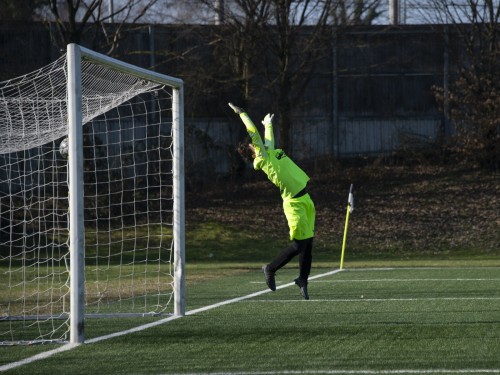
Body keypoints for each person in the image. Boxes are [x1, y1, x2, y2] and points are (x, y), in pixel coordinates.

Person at [228, 102, 315, 300]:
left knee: (308, 245)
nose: (254, 142)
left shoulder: (269, 153)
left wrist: (268, 124)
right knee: (299, 246)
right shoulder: (263, 159)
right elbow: (254, 133)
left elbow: (267, 140)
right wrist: (242, 113)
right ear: (252, 151)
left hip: (305, 198)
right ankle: (270, 268)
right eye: (252, 144)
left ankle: (302, 279)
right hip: (294, 204)